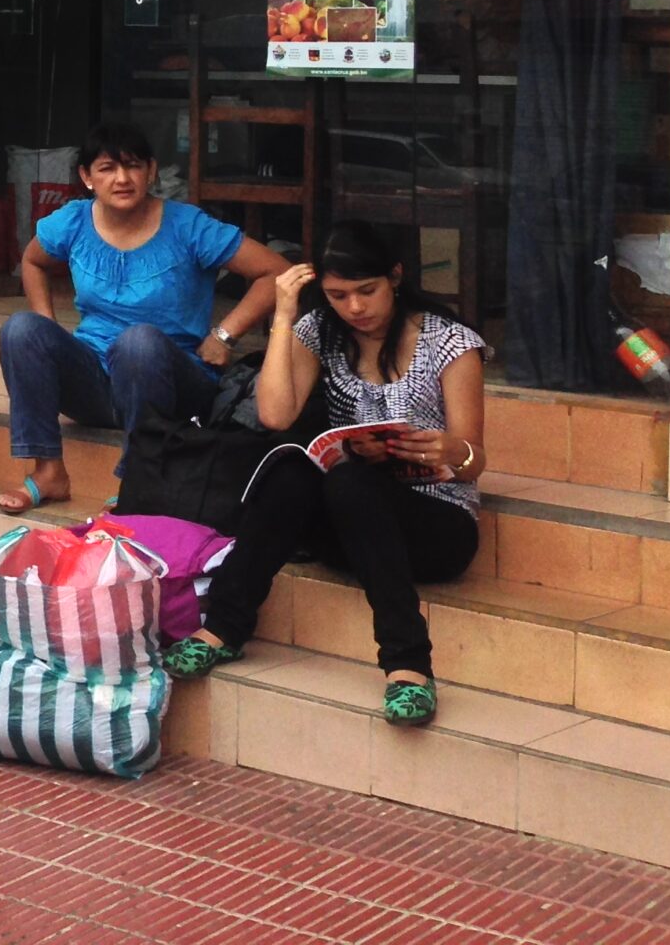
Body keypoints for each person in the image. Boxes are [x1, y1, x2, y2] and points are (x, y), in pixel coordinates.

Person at [159, 223, 485, 728]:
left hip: (436, 524)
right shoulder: (320, 331)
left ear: (394, 277)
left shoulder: (450, 342)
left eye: (366, 291)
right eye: (337, 295)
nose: (354, 307)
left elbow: (474, 460)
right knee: (292, 466)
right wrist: (285, 312)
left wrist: (449, 449)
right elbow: (275, 414)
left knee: (352, 482)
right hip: (353, 522)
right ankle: (222, 627)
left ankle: (408, 664)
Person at [0, 119, 287, 514]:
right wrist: (46, 323)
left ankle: (139, 478)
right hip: (96, 386)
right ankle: (49, 471)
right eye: (106, 168)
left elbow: (276, 272)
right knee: (22, 329)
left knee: (138, 341)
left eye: (133, 166)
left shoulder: (188, 226)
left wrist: (224, 334)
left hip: (173, 384)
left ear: (151, 170)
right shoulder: (74, 221)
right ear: (86, 176)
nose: (122, 178)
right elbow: (33, 261)